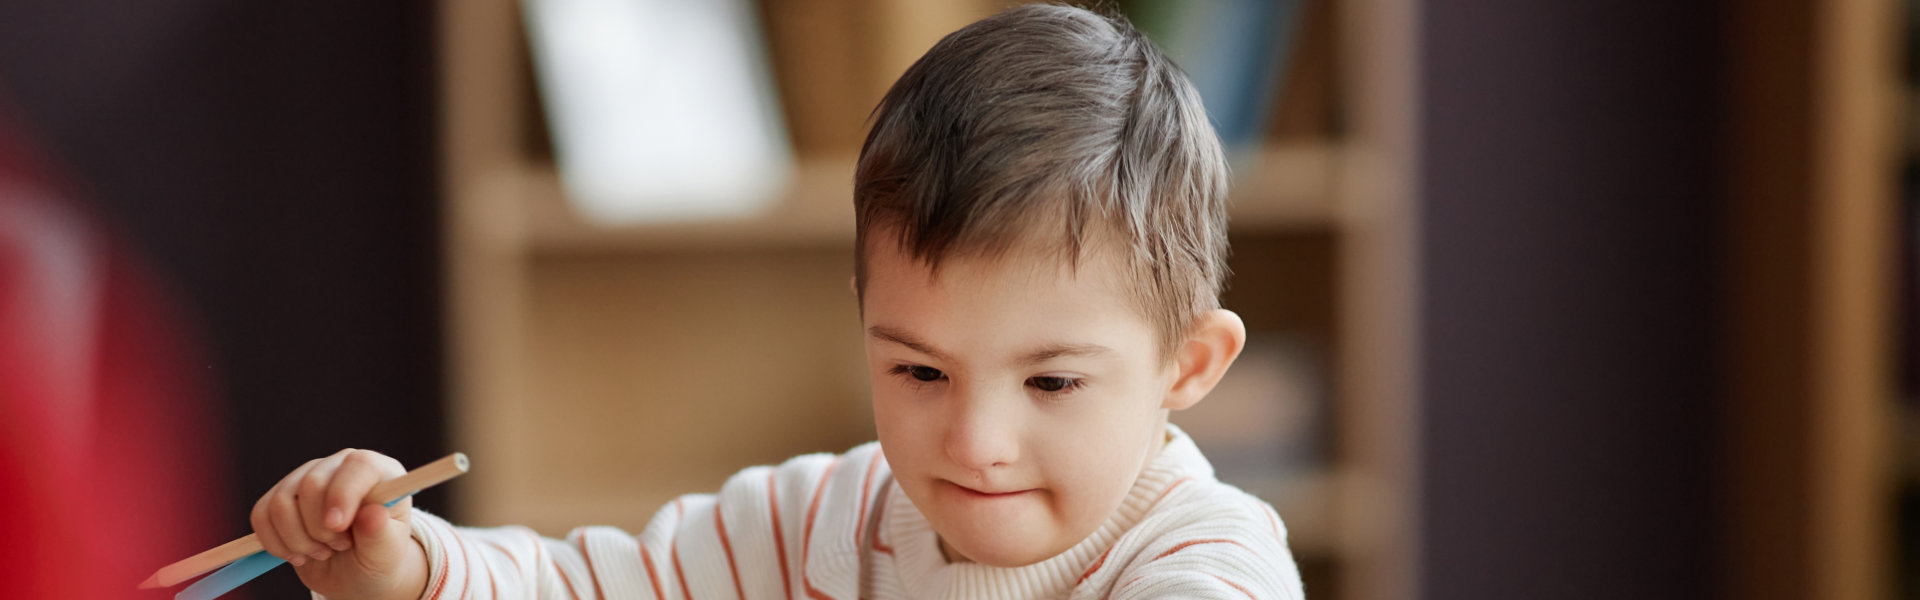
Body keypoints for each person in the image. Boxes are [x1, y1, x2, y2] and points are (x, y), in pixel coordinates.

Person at [250, 5, 1305, 598]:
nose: (975, 443)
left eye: (1053, 382)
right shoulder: (823, 521)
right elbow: (582, 588)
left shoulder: (1208, 566)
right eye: (919, 370)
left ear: (1188, 363)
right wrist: (406, 567)